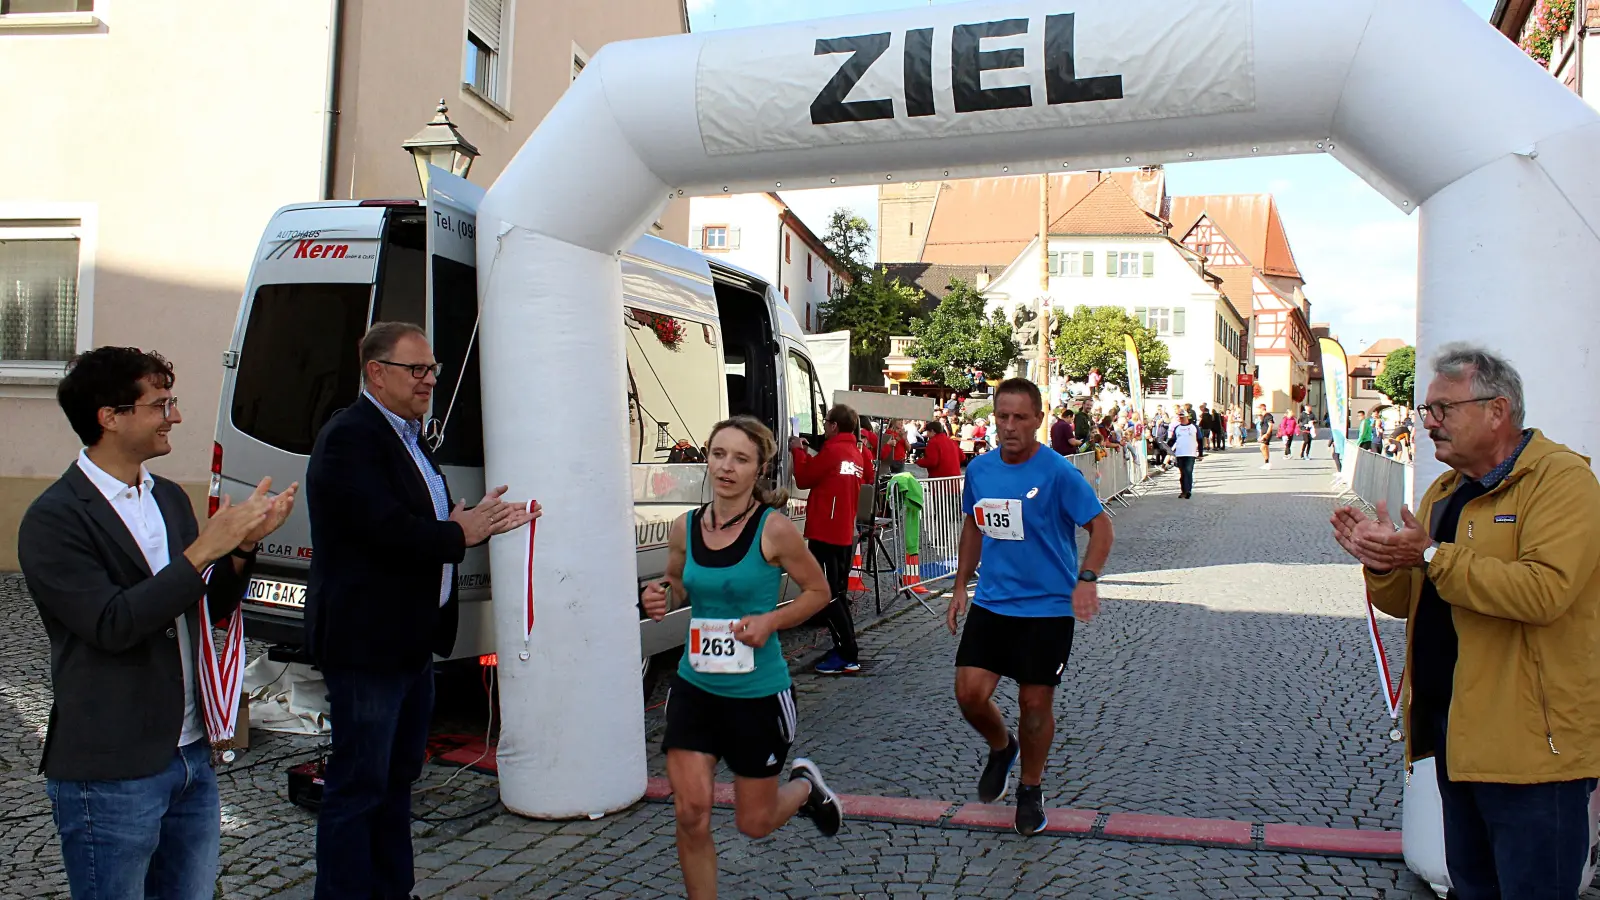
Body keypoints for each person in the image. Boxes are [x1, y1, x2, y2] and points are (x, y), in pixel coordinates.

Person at [17, 347, 297, 900]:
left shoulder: (167, 498)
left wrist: (241, 548)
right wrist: (200, 554)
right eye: (160, 404)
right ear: (110, 417)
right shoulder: (54, 518)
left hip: (191, 754)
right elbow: (112, 624)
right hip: (112, 766)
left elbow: (205, 608)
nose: (175, 416)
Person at [1331, 344, 1600, 899]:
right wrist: (1382, 560)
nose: (1428, 423)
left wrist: (1429, 556)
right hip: (1457, 735)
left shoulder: (1562, 482)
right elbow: (1412, 601)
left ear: (1497, 410)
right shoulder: (1444, 492)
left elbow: (1544, 592)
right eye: (1426, 410)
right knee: (1473, 888)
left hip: (1533, 751)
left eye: (1443, 409)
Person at [306, 323, 536, 900]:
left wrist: (466, 519)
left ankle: (391, 889)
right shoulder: (351, 437)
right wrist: (457, 532)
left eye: (433, 369)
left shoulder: (409, 437)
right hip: (368, 645)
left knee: (397, 781)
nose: (431, 380)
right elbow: (382, 529)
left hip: (411, 641)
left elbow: (420, 523)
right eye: (418, 370)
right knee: (358, 786)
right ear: (376, 372)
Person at [644, 417, 844, 900]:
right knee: (690, 813)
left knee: (753, 823)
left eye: (740, 458)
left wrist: (771, 622)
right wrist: (658, 596)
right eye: (718, 454)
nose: (726, 467)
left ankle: (804, 787)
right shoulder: (684, 527)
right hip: (696, 688)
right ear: (707, 458)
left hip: (757, 693)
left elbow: (820, 591)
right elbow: (675, 585)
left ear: (759, 469)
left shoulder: (773, 530)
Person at [946, 378, 1115, 835]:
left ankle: (1030, 788)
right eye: (1002, 417)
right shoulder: (979, 470)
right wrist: (962, 584)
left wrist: (1087, 579)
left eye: (1020, 417)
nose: (1009, 426)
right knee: (968, 695)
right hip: (994, 602)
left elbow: (1101, 529)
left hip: (1047, 609)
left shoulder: (1059, 473)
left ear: (1038, 419)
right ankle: (1003, 747)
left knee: (1033, 701)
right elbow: (974, 526)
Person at [790, 405, 867, 675]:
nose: (824, 427)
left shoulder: (834, 450)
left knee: (827, 595)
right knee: (838, 594)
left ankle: (847, 653)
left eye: (826, 422)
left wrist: (797, 451)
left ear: (834, 425)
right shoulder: (854, 453)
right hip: (844, 530)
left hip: (826, 531)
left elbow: (803, 478)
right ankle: (846, 649)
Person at [1170, 409, 1201, 499]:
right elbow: (1173, 439)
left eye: (1183, 417)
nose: (1181, 419)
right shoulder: (1177, 428)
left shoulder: (1194, 427)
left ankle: (1188, 491)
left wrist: (1200, 452)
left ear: (1187, 417)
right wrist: (1166, 446)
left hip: (1190, 453)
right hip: (1180, 453)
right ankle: (1183, 490)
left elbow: (1199, 439)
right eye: (1180, 417)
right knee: (1182, 473)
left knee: (1188, 472)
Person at [1257, 404, 1276, 470]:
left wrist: (1267, 434)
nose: (1258, 410)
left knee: (1262, 447)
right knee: (1265, 447)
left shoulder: (1268, 415)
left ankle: (1267, 463)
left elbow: (1270, 425)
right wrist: (1260, 435)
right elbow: (1262, 427)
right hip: (1264, 433)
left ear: (1263, 408)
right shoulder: (1263, 416)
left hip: (1267, 434)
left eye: (1259, 408)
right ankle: (1267, 463)